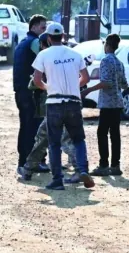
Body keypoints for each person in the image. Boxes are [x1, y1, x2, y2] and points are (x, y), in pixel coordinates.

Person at [31, 22, 94, 190]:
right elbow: (86, 78)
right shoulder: (75, 54)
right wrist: (74, 86)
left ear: (49, 38)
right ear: (64, 37)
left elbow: (37, 80)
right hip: (73, 103)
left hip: (54, 103)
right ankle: (82, 170)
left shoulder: (43, 55)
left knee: (54, 144)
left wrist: (48, 87)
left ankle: (57, 180)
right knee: (78, 140)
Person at [18, 33, 77, 180]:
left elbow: (33, 83)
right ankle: (79, 168)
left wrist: (46, 87)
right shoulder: (68, 55)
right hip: (69, 103)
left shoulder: (44, 58)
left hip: (51, 105)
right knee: (63, 138)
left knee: (44, 139)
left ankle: (28, 168)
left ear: (46, 42)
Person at [82, 33, 127, 176]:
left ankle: (103, 164)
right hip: (118, 102)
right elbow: (124, 84)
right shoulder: (119, 63)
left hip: (108, 103)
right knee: (115, 134)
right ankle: (115, 165)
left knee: (102, 133)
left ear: (107, 45)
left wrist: (89, 90)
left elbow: (106, 82)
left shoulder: (106, 61)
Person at [13, 14, 48, 172]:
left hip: (21, 91)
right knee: (33, 128)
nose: (45, 31)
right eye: (42, 27)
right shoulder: (35, 42)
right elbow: (44, 61)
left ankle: (25, 162)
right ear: (33, 27)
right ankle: (29, 162)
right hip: (30, 93)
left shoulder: (22, 43)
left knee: (26, 126)